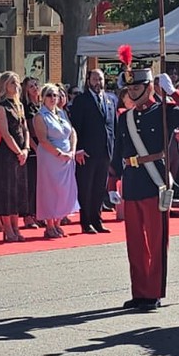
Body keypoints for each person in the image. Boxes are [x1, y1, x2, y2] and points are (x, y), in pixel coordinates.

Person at [111, 58, 179, 311]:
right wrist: (112, 179)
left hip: (154, 179)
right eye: (130, 88)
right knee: (135, 242)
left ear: (149, 87)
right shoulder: (125, 117)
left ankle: (154, 292)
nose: (134, 92)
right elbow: (119, 149)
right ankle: (139, 291)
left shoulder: (163, 111)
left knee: (157, 240)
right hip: (132, 180)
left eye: (138, 87)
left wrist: (173, 92)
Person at [70, 67, 116, 234]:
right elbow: (75, 126)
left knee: (99, 188)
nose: (99, 83)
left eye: (101, 79)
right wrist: (79, 149)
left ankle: (97, 220)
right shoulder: (81, 100)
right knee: (86, 188)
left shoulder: (111, 99)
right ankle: (86, 222)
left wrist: (114, 150)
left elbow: (113, 126)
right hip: (87, 152)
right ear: (89, 81)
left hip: (105, 151)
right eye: (95, 79)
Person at [33, 83, 78, 239]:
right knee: (50, 190)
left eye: (55, 95)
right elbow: (43, 140)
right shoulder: (40, 116)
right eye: (49, 95)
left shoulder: (61, 113)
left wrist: (72, 150)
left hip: (67, 157)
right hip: (50, 157)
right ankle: (50, 224)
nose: (53, 98)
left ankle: (58, 222)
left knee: (64, 191)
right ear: (43, 98)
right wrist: (58, 153)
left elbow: (72, 132)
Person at [0, 72, 31, 242]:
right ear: (5, 86)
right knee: (7, 191)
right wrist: (17, 151)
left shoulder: (20, 105)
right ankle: (7, 228)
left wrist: (26, 149)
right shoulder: (1, 107)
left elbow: (26, 130)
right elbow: (6, 133)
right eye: (12, 83)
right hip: (7, 154)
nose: (16, 86)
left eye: (17, 83)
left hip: (21, 152)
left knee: (18, 190)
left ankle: (16, 226)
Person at [21, 76, 43, 229]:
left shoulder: (41, 106)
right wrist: (36, 148)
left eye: (36, 85)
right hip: (34, 149)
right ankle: (28, 215)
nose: (35, 88)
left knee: (41, 184)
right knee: (31, 183)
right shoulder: (26, 107)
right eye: (31, 86)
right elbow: (26, 130)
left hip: (45, 147)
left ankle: (39, 213)